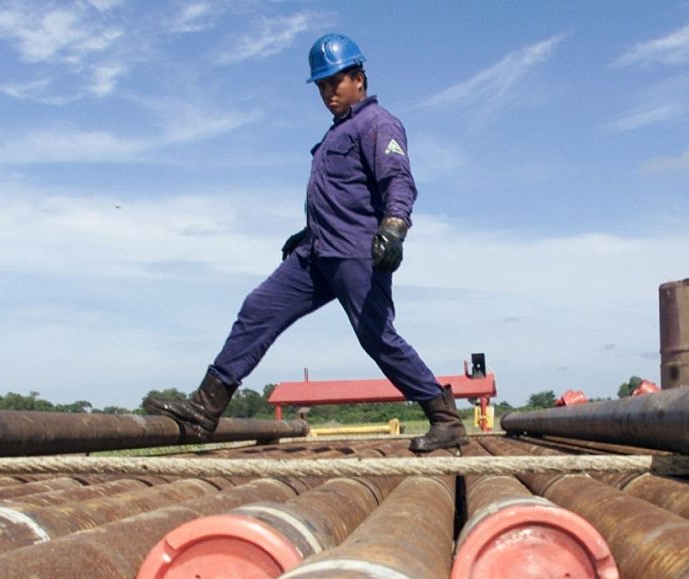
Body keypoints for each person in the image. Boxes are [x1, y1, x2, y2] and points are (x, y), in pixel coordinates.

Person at [145, 33, 466, 453]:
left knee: (377, 337)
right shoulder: (337, 133)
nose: (328, 92)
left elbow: (399, 181)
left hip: (355, 253)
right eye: (321, 85)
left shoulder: (377, 123)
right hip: (315, 254)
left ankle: (445, 419)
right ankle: (206, 407)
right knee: (258, 308)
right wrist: (307, 231)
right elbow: (340, 194)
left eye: (336, 82)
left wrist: (394, 226)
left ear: (360, 80)